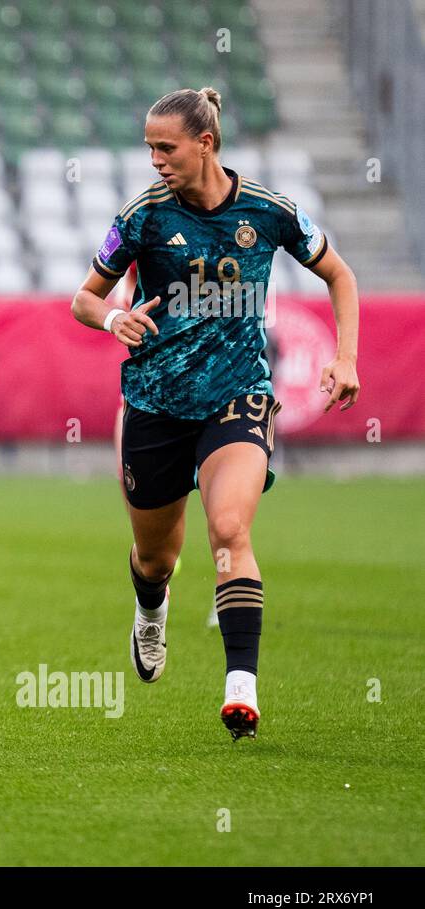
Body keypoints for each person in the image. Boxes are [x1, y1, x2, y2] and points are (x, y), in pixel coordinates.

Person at [71, 87, 360, 741]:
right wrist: (116, 316)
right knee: (156, 557)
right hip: (154, 403)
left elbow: (339, 274)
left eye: (164, 147)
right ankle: (151, 607)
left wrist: (345, 358)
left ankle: (241, 688)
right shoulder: (142, 216)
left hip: (239, 397)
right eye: (148, 147)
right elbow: (83, 300)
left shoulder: (270, 210)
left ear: (205, 143)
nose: (154, 160)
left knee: (229, 530)